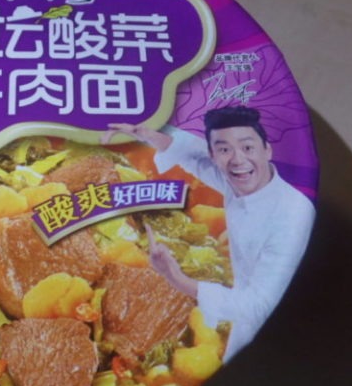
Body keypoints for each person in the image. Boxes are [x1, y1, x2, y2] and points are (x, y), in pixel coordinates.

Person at [104, 106, 315, 361]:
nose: (238, 159)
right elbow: (192, 158)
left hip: (290, 336)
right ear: (213, 155)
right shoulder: (240, 182)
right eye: (224, 150)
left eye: (248, 147)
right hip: (241, 326)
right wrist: (144, 133)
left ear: (267, 150)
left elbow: (259, 307)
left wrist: (177, 278)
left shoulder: (291, 214)